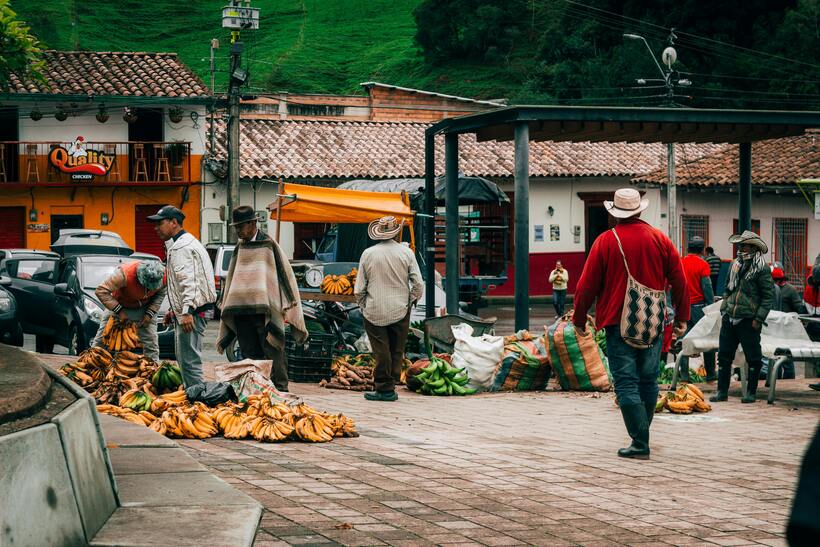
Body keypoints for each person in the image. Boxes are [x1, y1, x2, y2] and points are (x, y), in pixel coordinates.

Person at [573, 188, 689, 460]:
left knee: (626, 382)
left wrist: (579, 320)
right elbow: (680, 281)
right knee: (648, 380)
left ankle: (639, 442)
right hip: (653, 322)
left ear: (615, 213)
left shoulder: (605, 241)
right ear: (639, 210)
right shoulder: (661, 240)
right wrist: (683, 317)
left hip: (617, 321)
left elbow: (586, 286)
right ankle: (641, 435)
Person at [216, 205, 307, 392]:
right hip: (242, 310)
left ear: (252, 223)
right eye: (236, 227)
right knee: (250, 355)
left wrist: (285, 306)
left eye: (241, 226)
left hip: (265, 310)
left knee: (273, 351)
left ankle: (281, 390)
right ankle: (258, 391)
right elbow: (234, 277)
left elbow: (282, 276)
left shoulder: (268, 245)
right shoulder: (239, 248)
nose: (238, 231)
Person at [354, 216, 423, 402]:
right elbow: (418, 283)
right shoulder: (406, 253)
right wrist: (411, 301)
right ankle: (390, 384)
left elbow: (359, 288)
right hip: (400, 308)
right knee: (396, 349)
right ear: (396, 232)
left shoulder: (368, 254)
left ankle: (384, 388)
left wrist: (363, 305)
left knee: (381, 349)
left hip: (374, 308)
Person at [148, 205, 216, 389]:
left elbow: (190, 282)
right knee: (185, 358)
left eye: (159, 223)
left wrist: (186, 312)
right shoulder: (182, 244)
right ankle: (192, 394)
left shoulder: (182, 247)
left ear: (174, 223)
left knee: (189, 361)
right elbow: (183, 282)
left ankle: (197, 401)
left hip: (193, 312)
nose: (156, 228)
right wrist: (174, 310)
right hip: (191, 310)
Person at [710, 230, 774, 404]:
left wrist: (758, 319)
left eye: (744, 244)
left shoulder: (761, 268)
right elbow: (727, 289)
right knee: (723, 356)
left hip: (749, 319)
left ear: (753, 247)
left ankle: (751, 393)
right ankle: (722, 392)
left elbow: (768, 297)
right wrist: (724, 308)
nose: (740, 247)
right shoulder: (734, 264)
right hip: (730, 316)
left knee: (753, 357)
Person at [92, 260, 166, 361]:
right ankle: (91, 363)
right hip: (119, 304)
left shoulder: (164, 277)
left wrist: (150, 314)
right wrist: (119, 311)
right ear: (139, 277)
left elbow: (160, 294)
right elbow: (101, 291)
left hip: (145, 306)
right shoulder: (124, 274)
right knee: (102, 338)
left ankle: (152, 369)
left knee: (151, 342)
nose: (148, 289)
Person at [680, 236, 716, 381]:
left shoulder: (680, 263)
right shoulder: (703, 265)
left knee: (684, 341)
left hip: (682, 307)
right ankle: (711, 374)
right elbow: (707, 288)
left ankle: (683, 375)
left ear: (688, 248)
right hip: (699, 308)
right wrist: (711, 306)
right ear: (702, 249)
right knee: (707, 340)